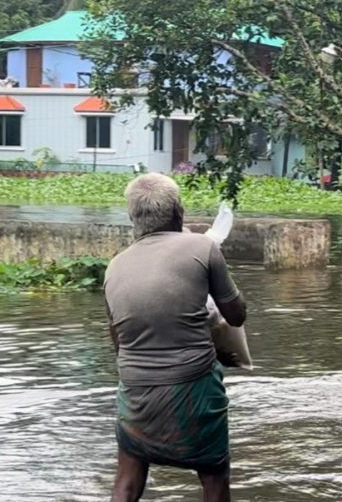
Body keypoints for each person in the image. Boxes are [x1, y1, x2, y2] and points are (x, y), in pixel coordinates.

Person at [105, 173, 247, 502]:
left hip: (136, 392)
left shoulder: (115, 267)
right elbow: (237, 315)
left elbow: (119, 343)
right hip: (193, 387)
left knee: (127, 478)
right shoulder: (203, 247)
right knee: (214, 477)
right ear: (178, 211)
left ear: (133, 219)